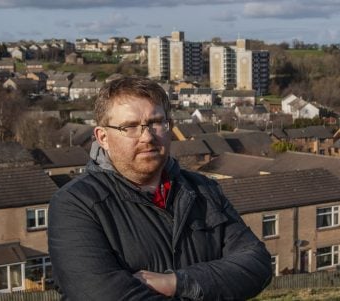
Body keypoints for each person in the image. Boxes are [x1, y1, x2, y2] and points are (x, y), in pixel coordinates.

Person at [48, 76, 272, 301]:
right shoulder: (76, 204)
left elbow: (256, 264)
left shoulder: (203, 191)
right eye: (130, 126)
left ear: (169, 127)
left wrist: (177, 283)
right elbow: (100, 294)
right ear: (103, 137)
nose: (147, 137)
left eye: (156, 122)